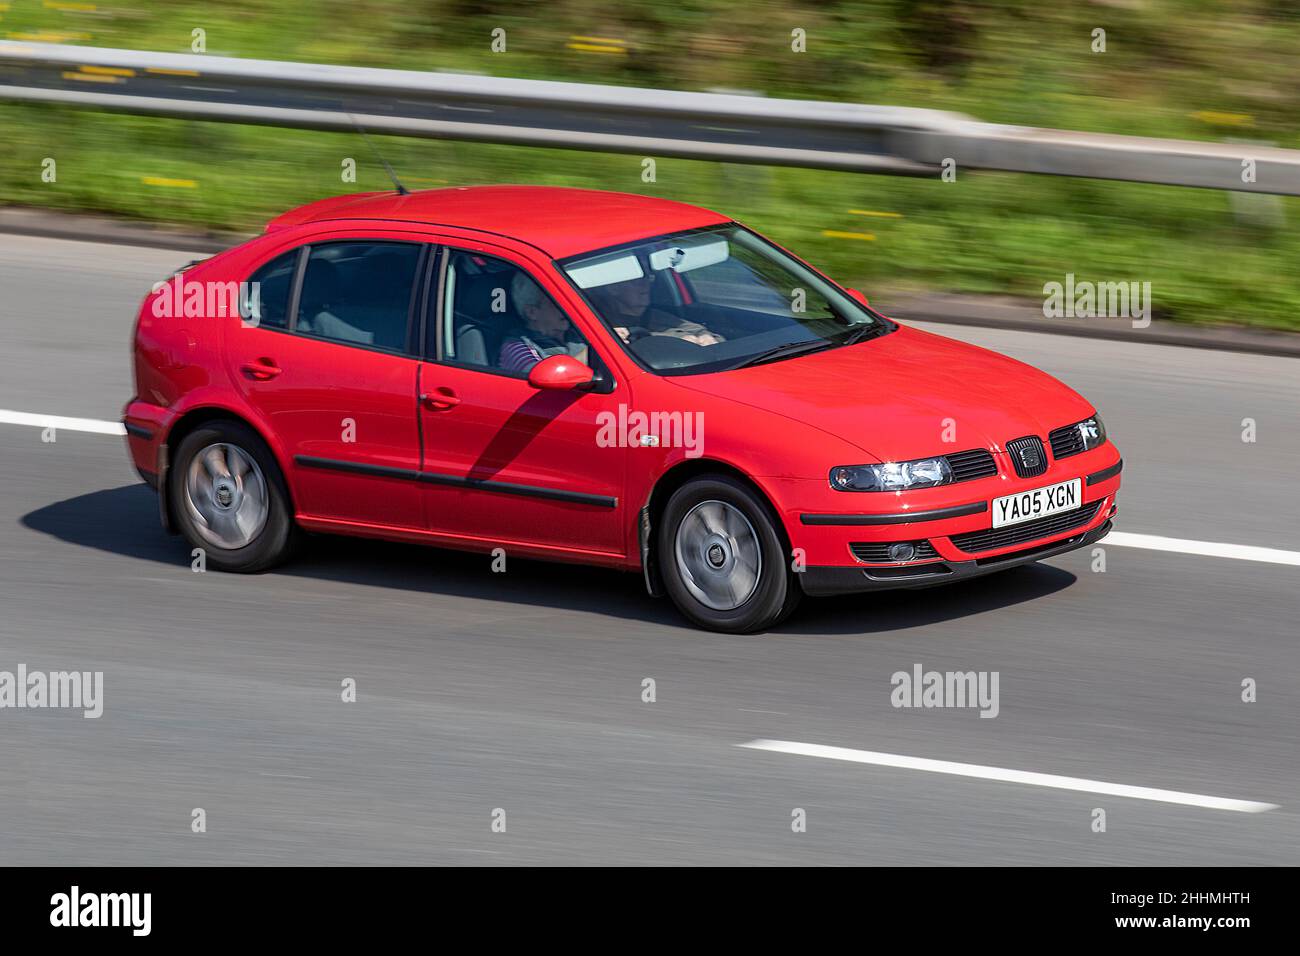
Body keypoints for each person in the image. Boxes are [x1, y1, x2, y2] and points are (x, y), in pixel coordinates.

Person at [591, 273, 723, 347]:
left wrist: (706, 337)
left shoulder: (654, 316)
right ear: (613, 289)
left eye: (648, 279)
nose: (645, 285)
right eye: (635, 281)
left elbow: (700, 331)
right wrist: (676, 341)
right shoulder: (600, 324)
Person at [498, 271, 589, 373]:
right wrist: (592, 354)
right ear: (532, 312)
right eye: (556, 302)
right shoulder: (516, 346)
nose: (566, 307)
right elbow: (544, 377)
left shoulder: (581, 330)